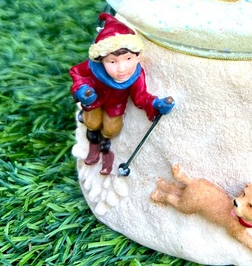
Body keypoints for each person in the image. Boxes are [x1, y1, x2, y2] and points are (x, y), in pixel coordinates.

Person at [69, 13, 174, 175]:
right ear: (101, 60)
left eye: (128, 59)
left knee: (112, 129)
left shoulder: (136, 75)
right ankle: (93, 143)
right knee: (92, 123)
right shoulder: (92, 67)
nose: (122, 68)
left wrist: (155, 103)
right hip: (94, 101)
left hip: (115, 106)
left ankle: (105, 147)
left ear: (137, 56)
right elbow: (77, 73)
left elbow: (140, 96)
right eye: (112, 61)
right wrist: (82, 89)